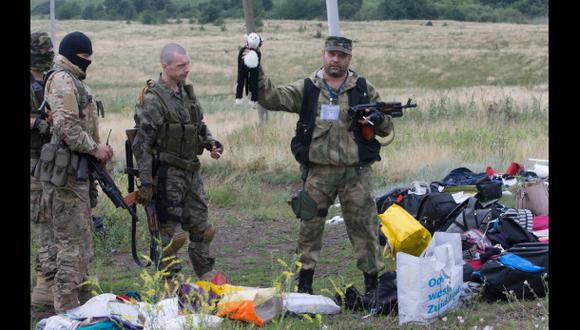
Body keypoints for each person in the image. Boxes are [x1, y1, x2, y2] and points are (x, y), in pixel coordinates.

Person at [250, 36, 395, 294]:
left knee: (365, 229)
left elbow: (386, 128)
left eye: (341, 55)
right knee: (309, 228)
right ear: (323, 54)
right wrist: (255, 70)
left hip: (356, 174)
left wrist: (375, 120)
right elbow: (271, 98)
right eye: (331, 54)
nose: (335, 59)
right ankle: (304, 287)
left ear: (349, 59)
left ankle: (373, 287)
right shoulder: (308, 88)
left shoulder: (362, 88)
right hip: (317, 174)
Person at [132, 43, 224, 283]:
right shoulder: (152, 100)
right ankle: (169, 281)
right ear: (165, 67)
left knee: (203, 229)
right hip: (166, 175)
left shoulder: (187, 93)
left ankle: (205, 272)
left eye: (187, 64)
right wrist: (146, 183)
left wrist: (211, 143)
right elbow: (142, 145)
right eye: (181, 65)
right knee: (171, 235)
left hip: (191, 172)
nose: (186, 69)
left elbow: (197, 126)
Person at [38, 31, 114, 313]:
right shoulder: (62, 81)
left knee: (82, 242)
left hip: (75, 171)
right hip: (66, 174)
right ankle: (67, 310)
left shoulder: (72, 80)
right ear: (71, 55)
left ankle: (84, 306)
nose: (88, 63)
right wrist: (95, 149)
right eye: (84, 58)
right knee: (71, 245)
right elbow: (67, 127)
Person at [30, 31, 56, 309]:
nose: (48, 53)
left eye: (51, 49)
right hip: (35, 162)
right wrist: (39, 123)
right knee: (42, 224)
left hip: (57, 163)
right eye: (43, 49)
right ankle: (44, 286)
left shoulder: (53, 79)